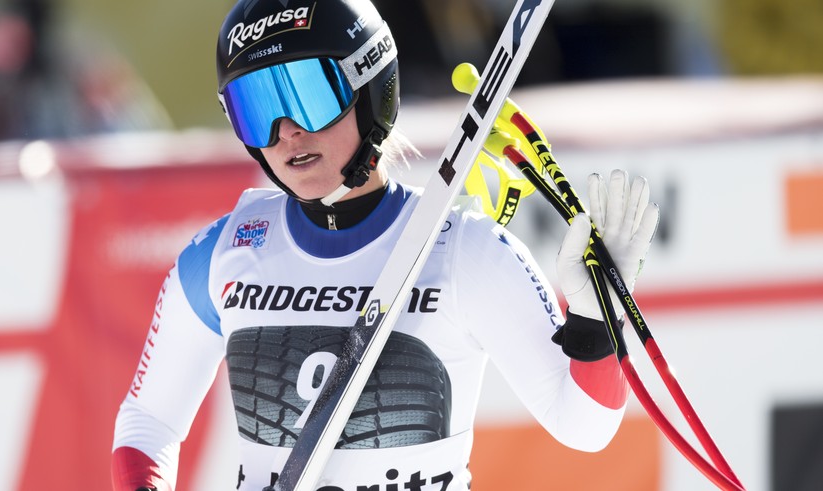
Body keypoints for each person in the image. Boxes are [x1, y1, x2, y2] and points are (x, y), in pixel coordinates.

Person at [110, 0, 660, 490]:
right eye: (256, 107)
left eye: (305, 96)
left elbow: (585, 427)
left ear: (371, 89)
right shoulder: (225, 251)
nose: (286, 133)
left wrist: (593, 316)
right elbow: (148, 421)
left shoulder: (466, 252)